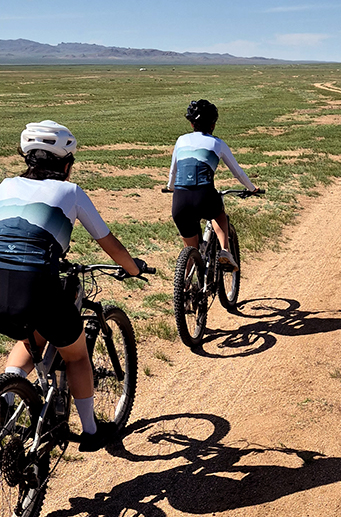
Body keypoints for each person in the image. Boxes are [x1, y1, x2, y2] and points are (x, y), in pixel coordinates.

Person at [0, 121, 145, 452]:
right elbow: (110, 243)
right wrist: (133, 269)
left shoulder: (5, 185)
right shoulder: (70, 192)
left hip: (1, 285)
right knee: (77, 356)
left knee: (29, 335)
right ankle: (92, 432)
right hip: (37, 288)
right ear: (66, 164)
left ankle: (6, 399)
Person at [167, 99, 259, 272]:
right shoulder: (217, 143)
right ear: (212, 124)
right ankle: (225, 252)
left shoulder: (180, 140)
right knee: (218, 215)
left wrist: (170, 187)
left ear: (192, 123)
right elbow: (237, 172)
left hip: (180, 198)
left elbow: (173, 171)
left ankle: (184, 289)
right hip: (204, 195)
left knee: (190, 249)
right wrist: (252, 188)